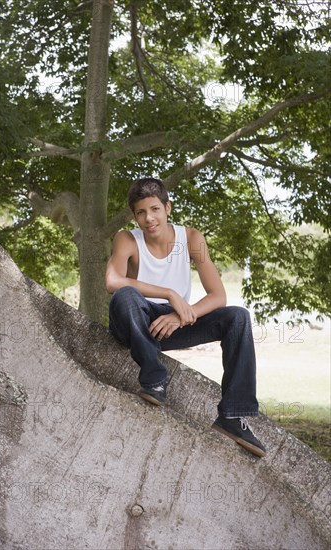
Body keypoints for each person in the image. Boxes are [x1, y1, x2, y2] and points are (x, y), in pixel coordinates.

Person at [105, 177, 266, 458]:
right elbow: (112, 281)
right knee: (125, 295)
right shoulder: (127, 238)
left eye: (155, 209)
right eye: (141, 212)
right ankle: (154, 379)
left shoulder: (191, 238)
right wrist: (169, 294)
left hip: (173, 323)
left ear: (168, 208)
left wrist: (180, 317)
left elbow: (218, 296)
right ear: (134, 216)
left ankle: (232, 415)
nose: (148, 218)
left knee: (238, 317)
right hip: (135, 321)